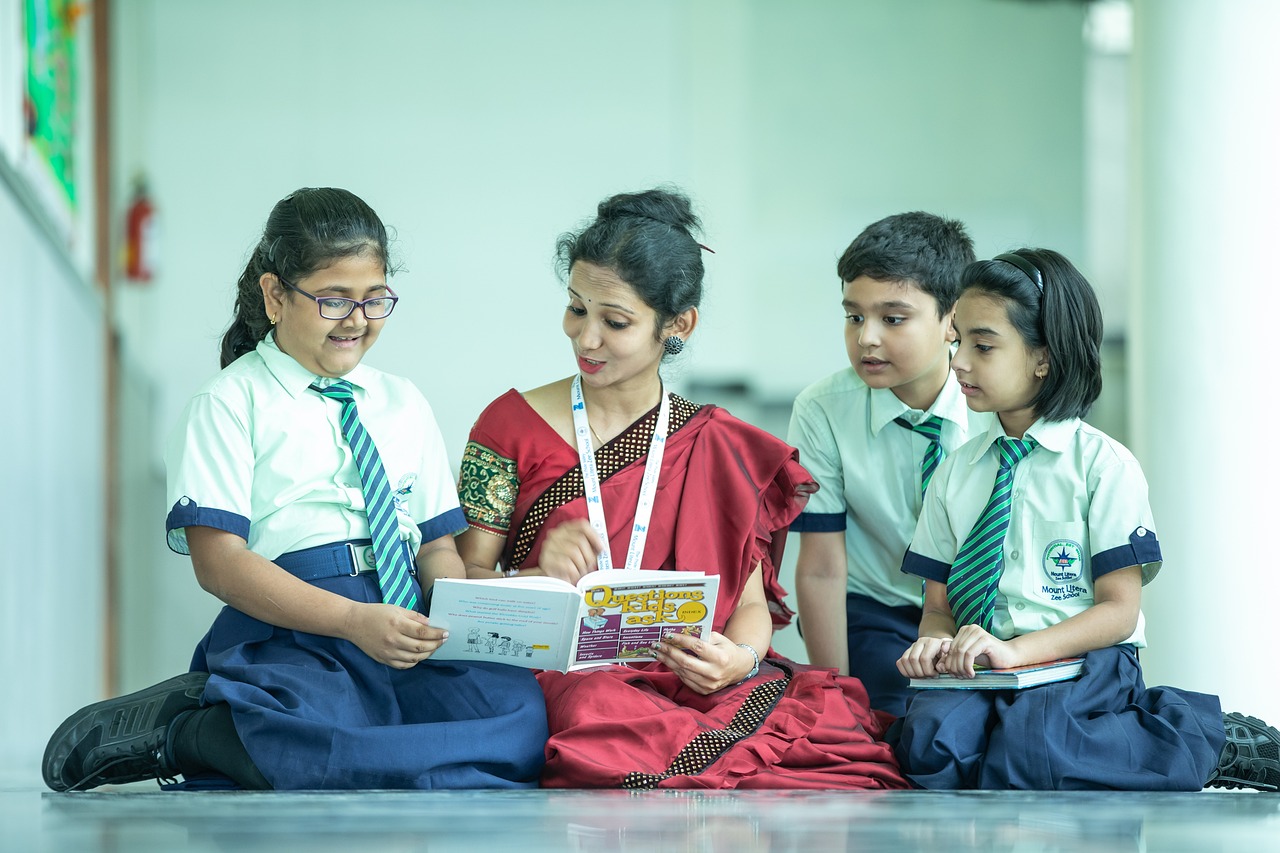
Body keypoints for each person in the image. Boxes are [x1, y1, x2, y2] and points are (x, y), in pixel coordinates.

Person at [43, 187, 547, 792]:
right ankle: (188, 730)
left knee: (519, 725)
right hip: (300, 623)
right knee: (311, 743)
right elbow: (220, 566)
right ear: (275, 294)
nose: (357, 320)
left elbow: (437, 545)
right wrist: (354, 621)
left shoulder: (403, 402)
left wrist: (454, 609)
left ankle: (289, 734)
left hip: (405, 614)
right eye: (334, 300)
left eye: (375, 300)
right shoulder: (230, 402)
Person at [455, 187, 908, 790]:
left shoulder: (716, 445)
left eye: (614, 321)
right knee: (608, 724)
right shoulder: (510, 425)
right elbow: (454, 587)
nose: (586, 338)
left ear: (678, 325)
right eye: (576, 309)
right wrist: (530, 576)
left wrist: (737, 660)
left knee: (836, 750)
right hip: (568, 676)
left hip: (696, 677)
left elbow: (748, 608)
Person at [892, 248, 1280, 791]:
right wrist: (935, 642)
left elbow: (1119, 613)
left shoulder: (1103, 466)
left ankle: (1214, 741)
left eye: (982, 346)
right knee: (927, 749)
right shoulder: (955, 473)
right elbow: (938, 608)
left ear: (1043, 358)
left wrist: (1017, 652)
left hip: (1083, 659)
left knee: (1034, 753)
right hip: (986, 665)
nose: (957, 361)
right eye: (957, 342)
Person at [787, 212, 986, 715]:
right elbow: (822, 567)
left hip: (984, 614)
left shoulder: (997, 403)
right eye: (854, 316)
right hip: (878, 613)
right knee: (898, 726)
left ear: (952, 320)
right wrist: (836, 699)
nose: (866, 338)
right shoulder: (824, 409)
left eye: (892, 319)